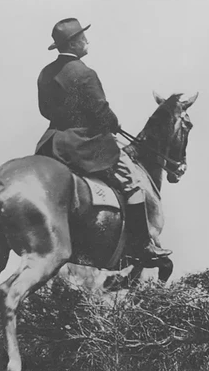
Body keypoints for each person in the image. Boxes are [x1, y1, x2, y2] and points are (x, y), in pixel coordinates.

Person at [35, 18, 171, 261]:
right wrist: (113, 123)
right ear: (75, 43)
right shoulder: (85, 73)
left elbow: (44, 111)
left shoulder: (45, 73)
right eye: (83, 37)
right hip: (82, 143)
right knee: (131, 181)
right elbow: (100, 111)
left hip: (51, 142)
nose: (87, 41)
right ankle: (143, 246)